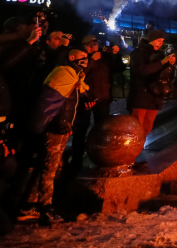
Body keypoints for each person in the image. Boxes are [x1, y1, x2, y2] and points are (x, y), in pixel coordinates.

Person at [20, 48, 90, 225]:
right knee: (50, 168)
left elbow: (68, 101)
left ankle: (30, 205)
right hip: (55, 128)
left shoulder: (74, 76)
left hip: (61, 127)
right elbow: (49, 103)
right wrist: (60, 121)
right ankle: (46, 208)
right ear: (72, 58)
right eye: (83, 57)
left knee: (46, 166)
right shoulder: (63, 73)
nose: (86, 60)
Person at [67, 36, 114, 176]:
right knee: (80, 130)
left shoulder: (103, 57)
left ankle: (102, 159)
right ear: (86, 45)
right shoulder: (81, 57)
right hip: (85, 98)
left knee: (102, 129)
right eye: (93, 43)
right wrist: (92, 59)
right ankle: (76, 161)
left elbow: (116, 69)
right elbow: (80, 74)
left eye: (97, 43)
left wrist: (114, 55)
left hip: (102, 98)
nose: (96, 45)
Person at [127, 29, 175, 136]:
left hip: (155, 97)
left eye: (162, 40)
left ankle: (140, 148)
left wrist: (169, 65)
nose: (161, 43)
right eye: (158, 40)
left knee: (147, 128)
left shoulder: (159, 54)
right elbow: (141, 70)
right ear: (151, 40)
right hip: (141, 97)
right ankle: (133, 151)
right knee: (136, 128)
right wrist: (162, 62)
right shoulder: (138, 52)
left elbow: (165, 75)